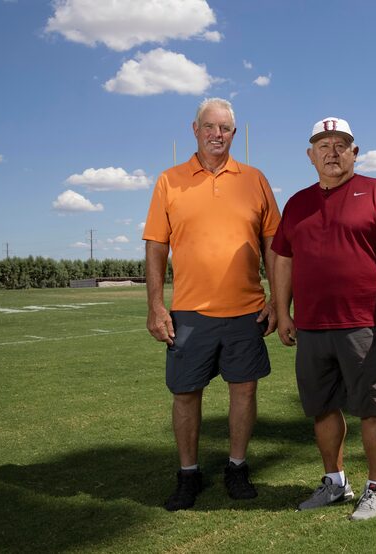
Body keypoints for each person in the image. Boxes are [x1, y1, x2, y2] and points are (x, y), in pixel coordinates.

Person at [272, 117, 376, 521]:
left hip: (364, 324)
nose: (331, 152)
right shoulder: (297, 203)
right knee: (321, 408)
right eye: (323, 145)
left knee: (373, 408)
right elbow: (283, 259)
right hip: (313, 326)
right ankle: (335, 482)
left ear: (355, 152)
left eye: (340, 145)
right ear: (310, 155)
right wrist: (283, 311)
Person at [143, 97, 281, 511]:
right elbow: (155, 246)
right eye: (209, 126)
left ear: (234, 134)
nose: (217, 134)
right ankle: (188, 474)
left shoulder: (254, 179)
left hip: (246, 310)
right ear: (195, 129)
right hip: (189, 312)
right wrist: (155, 304)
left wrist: (277, 299)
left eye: (225, 128)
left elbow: (273, 243)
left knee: (244, 391)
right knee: (185, 394)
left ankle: (237, 467)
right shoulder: (169, 180)